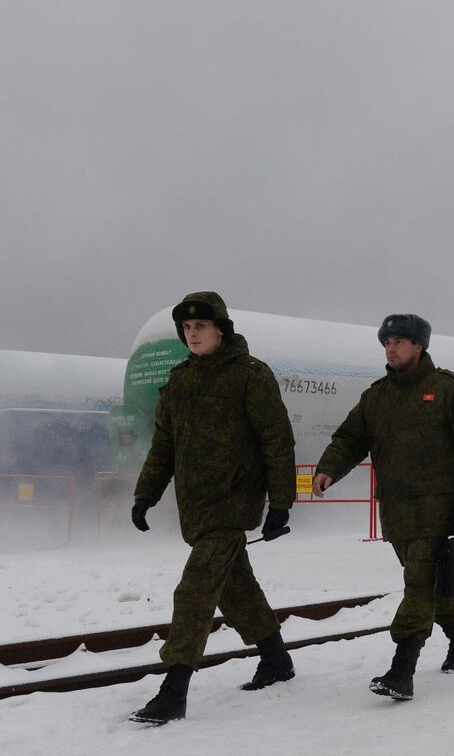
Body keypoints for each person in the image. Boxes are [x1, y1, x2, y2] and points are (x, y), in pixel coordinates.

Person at [128, 292, 297, 726]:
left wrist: (280, 503)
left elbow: (277, 441)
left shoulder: (251, 376)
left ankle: (174, 689)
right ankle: (276, 659)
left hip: (232, 502)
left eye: (200, 326)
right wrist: (145, 494)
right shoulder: (180, 380)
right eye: (186, 328)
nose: (192, 334)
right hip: (196, 507)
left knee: (195, 591)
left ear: (221, 328)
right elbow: (164, 444)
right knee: (235, 589)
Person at [312, 314, 454, 701]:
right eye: (387, 342)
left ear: (419, 346)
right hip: (396, 513)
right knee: (429, 585)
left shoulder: (448, 390)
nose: (391, 348)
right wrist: (328, 468)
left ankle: (402, 667)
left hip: (439, 510)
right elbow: (350, 438)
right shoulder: (377, 396)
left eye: (399, 341)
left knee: (417, 585)